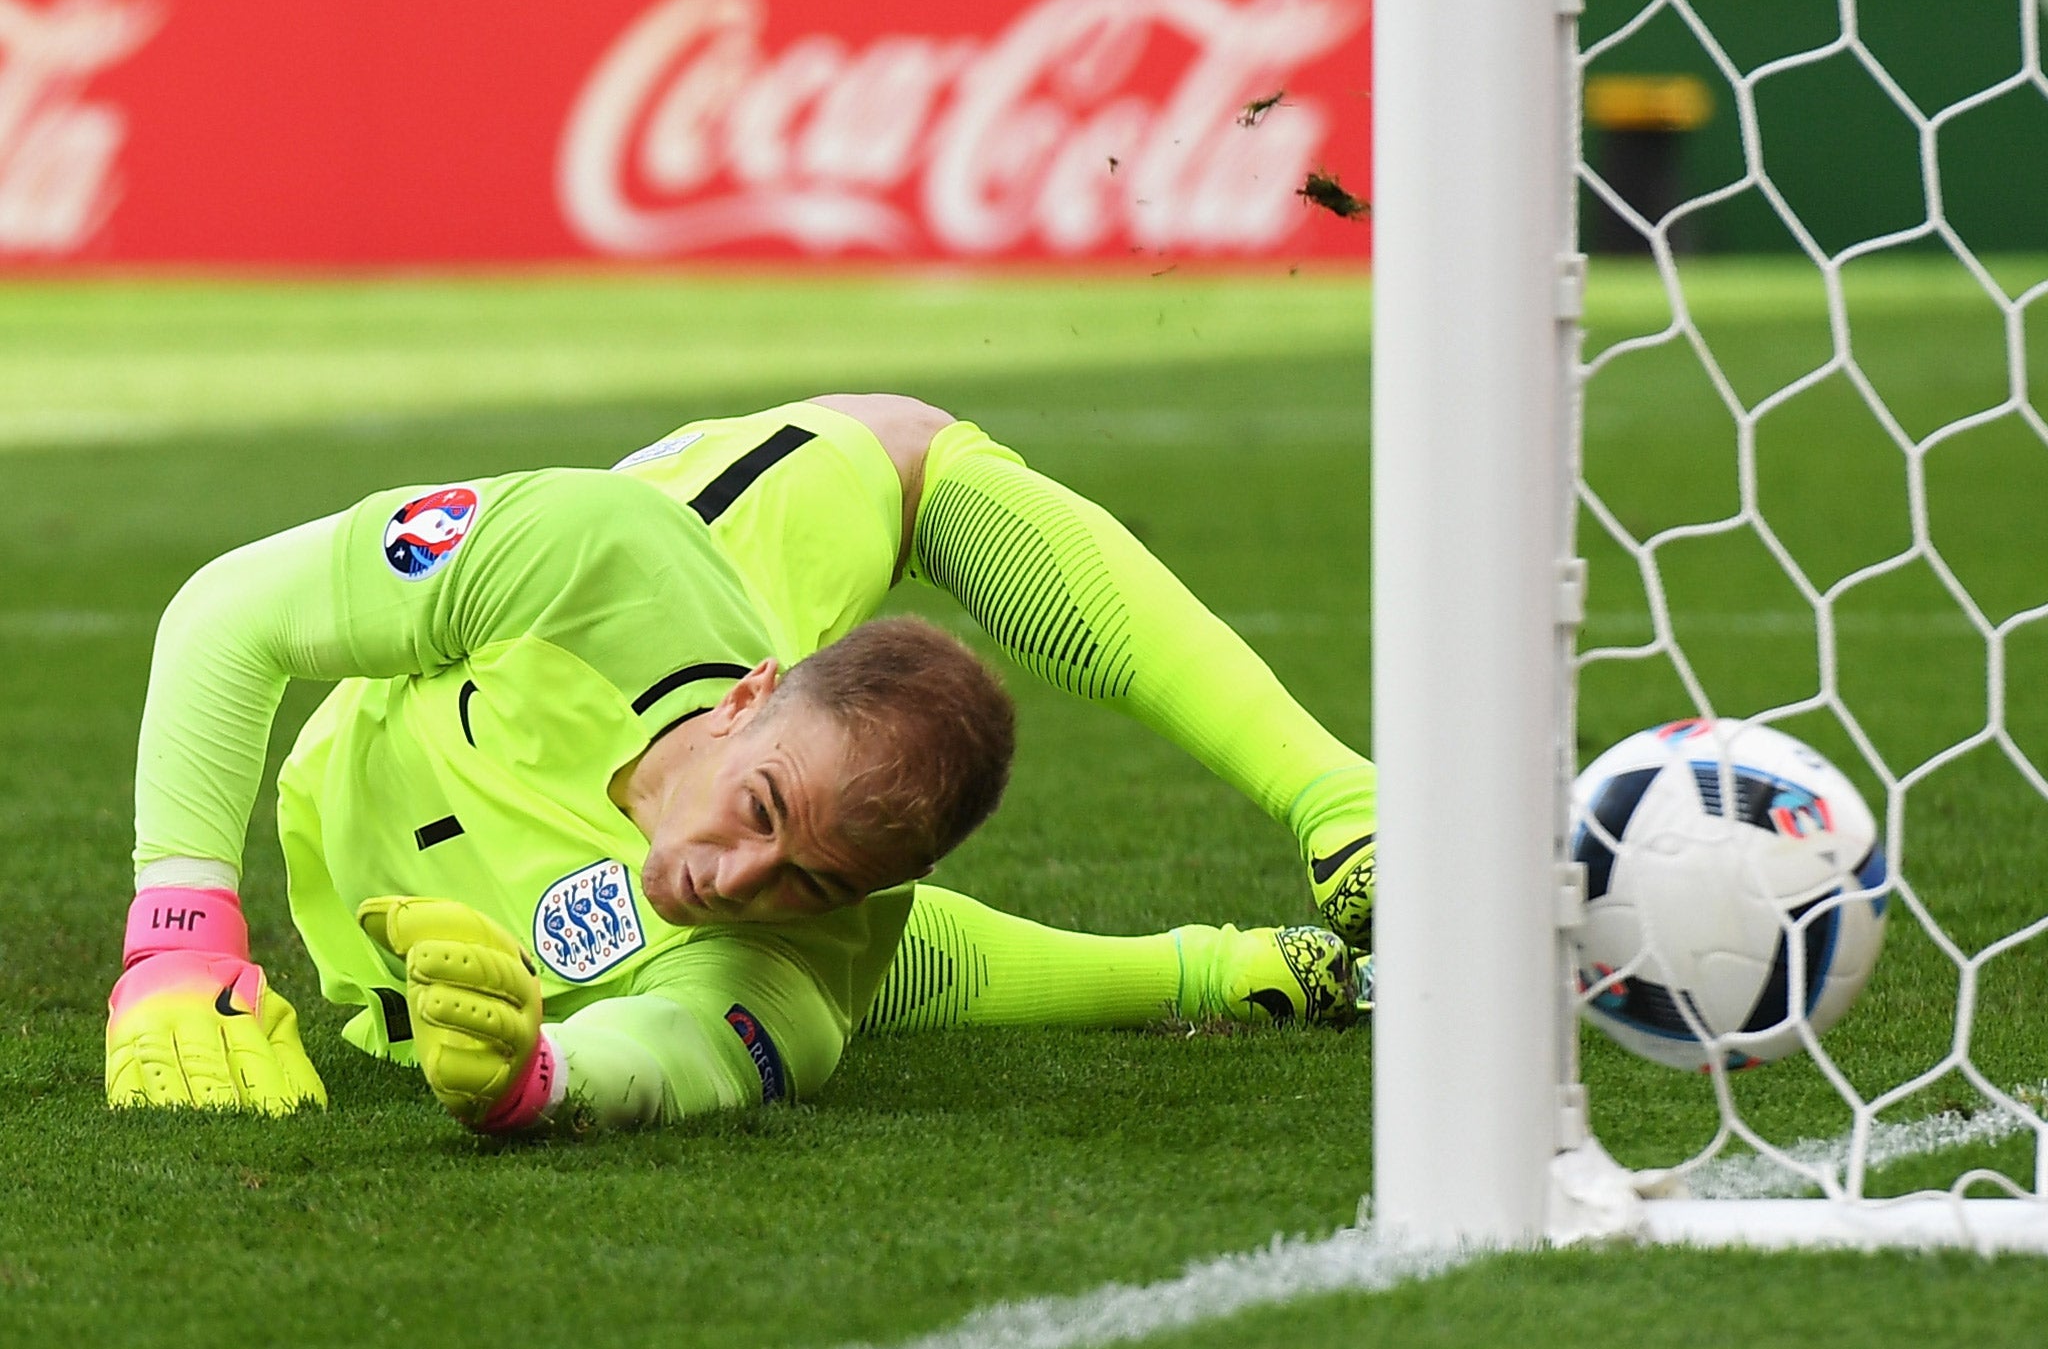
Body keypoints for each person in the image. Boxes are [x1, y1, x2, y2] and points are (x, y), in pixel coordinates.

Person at [105, 395, 1378, 1133]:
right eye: (758, 808)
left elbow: (683, 1053)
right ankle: (1350, 801)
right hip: (557, 641)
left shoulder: (809, 946)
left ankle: (1236, 973)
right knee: (921, 453)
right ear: (755, 696)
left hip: (444, 978)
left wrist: (538, 1080)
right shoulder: (594, 558)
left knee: (813, 964)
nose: (734, 873)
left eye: (805, 879)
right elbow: (230, 613)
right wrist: (181, 941)